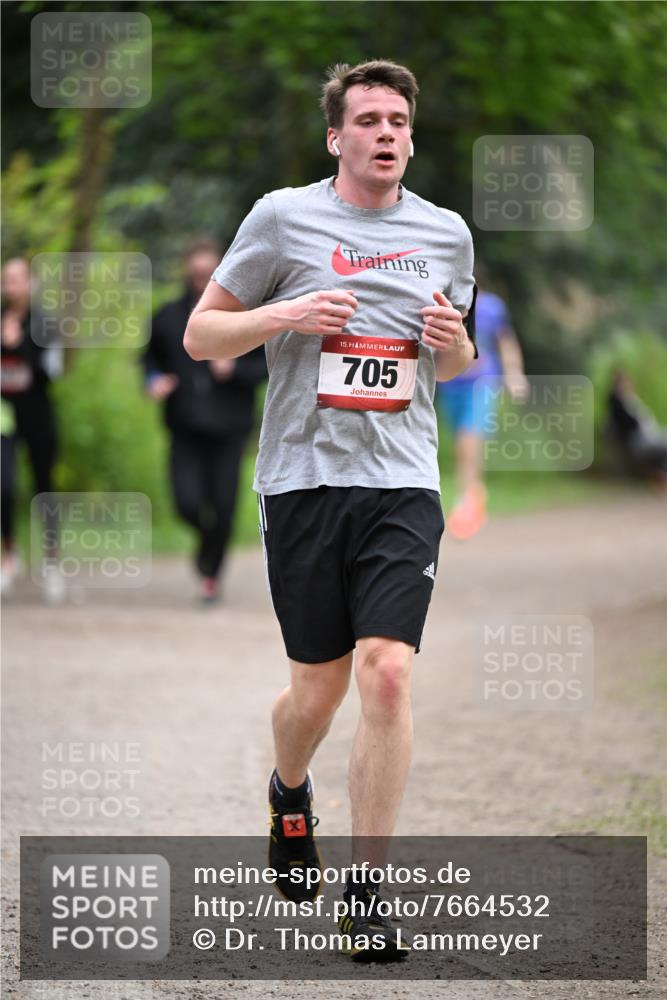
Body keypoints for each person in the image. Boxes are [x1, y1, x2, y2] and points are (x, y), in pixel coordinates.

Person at [184, 60, 477, 960]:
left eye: (398, 120)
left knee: (385, 672)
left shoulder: (446, 233)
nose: (385, 133)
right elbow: (202, 335)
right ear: (336, 138)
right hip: (303, 481)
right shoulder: (282, 218)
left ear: (411, 137)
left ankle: (367, 891)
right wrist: (287, 314)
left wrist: (453, 343)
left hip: (401, 482)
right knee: (316, 690)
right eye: (368, 120)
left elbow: (458, 366)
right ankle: (288, 790)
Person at [143, 237, 267, 603]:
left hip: (230, 428)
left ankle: (210, 575)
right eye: (195, 271)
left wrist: (235, 370)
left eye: (207, 272)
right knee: (187, 504)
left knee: (224, 507)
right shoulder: (167, 315)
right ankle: (205, 540)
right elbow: (150, 359)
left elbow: (265, 366)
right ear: (187, 270)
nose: (200, 277)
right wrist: (154, 381)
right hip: (184, 426)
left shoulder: (244, 314)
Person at [436, 267, 529, 539]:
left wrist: (514, 374)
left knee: (469, 441)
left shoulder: (492, 307)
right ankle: (475, 494)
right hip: (450, 385)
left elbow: (507, 343)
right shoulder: (445, 306)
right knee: (459, 444)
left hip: (484, 384)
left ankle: (468, 503)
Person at [1, 257, 63, 603]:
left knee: (45, 491)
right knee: (4, 487)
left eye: (19, 279)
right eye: (7, 279)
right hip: (4, 419)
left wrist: (19, 344)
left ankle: (52, 561)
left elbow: (49, 372)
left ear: (31, 283)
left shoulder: (46, 324)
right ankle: (9, 555)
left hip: (38, 415)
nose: (13, 286)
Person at [606, 370, 667, 489]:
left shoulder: (630, 400)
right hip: (637, 440)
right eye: (624, 383)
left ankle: (660, 475)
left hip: (647, 435)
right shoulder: (617, 403)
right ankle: (661, 476)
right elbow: (627, 424)